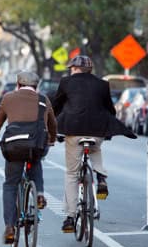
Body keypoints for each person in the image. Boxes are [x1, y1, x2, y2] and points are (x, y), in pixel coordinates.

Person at [52, 55, 136, 233]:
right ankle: (101, 178)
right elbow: (110, 109)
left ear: (74, 69)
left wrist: (54, 125)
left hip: (73, 130)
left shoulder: (66, 82)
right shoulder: (102, 84)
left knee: (72, 174)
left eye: (71, 69)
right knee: (95, 148)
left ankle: (70, 217)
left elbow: (56, 105)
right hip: (97, 129)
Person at [0, 71, 57, 244]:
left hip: (14, 147)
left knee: (10, 184)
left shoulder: (9, 98)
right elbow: (53, 123)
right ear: (36, 86)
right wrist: (52, 140)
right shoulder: (43, 99)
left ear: (18, 85)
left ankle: (10, 227)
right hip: (36, 144)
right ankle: (39, 193)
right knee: (36, 159)